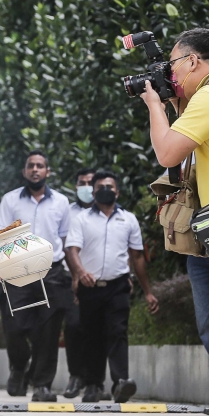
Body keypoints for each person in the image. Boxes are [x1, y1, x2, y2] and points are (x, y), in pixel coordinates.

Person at [142, 27, 209, 416]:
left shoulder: (207, 97)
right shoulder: (199, 100)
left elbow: (167, 151)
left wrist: (155, 102)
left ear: (193, 61)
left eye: (172, 65)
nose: (170, 75)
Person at [65, 170, 158, 403]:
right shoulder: (81, 219)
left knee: (118, 332)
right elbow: (72, 250)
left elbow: (137, 257)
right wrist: (80, 272)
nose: (105, 190)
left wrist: (148, 291)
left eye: (110, 186)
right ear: (93, 192)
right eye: (100, 187)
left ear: (117, 191)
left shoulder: (128, 219)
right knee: (92, 336)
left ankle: (120, 383)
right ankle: (93, 385)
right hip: (90, 286)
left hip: (118, 286)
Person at [0, 150, 74, 402]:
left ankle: (42, 385)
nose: (35, 169)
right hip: (17, 270)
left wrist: (74, 274)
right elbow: (1, 235)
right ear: (24, 171)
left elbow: (65, 239)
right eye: (31, 166)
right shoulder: (10, 200)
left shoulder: (61, 202)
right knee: (15, 326)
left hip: (52, 272)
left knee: (48, 331)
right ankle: (18, 367)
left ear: (47, 172)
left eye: (40, 166)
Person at [62, 166, 96, 399]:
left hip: (101, 281)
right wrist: (75, 276)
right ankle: (76, 376)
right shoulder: (68, 212)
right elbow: (64, 244)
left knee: (98, 330)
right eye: (82, 183)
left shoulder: (107, 212)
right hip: (71, 278)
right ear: (76, 186)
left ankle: (96, 381)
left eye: (90, 183)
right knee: (73, 326)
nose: (87, 188)